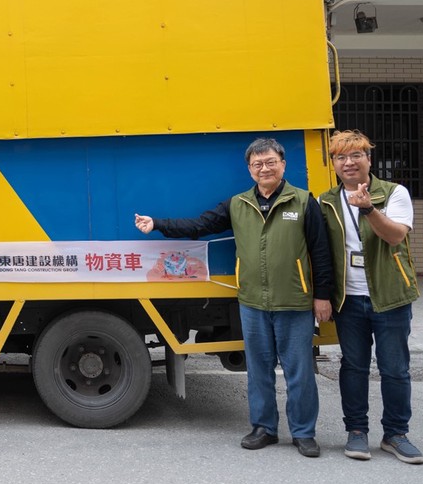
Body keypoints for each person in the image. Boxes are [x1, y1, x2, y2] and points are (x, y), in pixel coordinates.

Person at [134, 137, 334, 457]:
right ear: (250, 170)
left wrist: (322, 296)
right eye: (257, 164)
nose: (264, 168)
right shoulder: (238, 204)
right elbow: (198, 225)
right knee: (258, 369)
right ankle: (263, 428)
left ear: (283, 164)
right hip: (253, 302)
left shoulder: (304, 201)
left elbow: (321, 253)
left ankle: (303, 433)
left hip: (294, 301)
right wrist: (157, 224)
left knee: (299, 371)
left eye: (270, 162)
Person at [318, 130, 423, 464]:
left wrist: (368, 209)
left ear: (369, 159)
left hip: (390, 296)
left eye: (355, 156)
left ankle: (395, 434)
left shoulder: (394, 193)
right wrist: (322, 295)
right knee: (354, 367)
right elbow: (320, 252)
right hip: (349, 299)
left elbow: (394, 236)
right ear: (333, 163)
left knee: (394, 369)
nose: (348, 163)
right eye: (341, 157)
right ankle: (357, 431)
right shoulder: (326, 201)